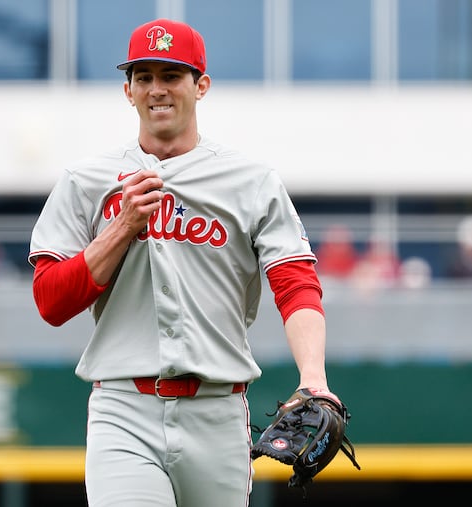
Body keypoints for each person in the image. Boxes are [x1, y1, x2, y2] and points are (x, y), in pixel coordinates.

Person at [28, 19, 339, 507]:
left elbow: (296, 284)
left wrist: (314, 380)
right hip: (124, 408)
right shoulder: (86, 181)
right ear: (127, 90)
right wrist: (121, 226)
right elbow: (50, 300)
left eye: (172, 75)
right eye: (144, 76)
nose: (157, 89)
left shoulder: (250, 180)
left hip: (217, 411)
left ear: (201, 85)